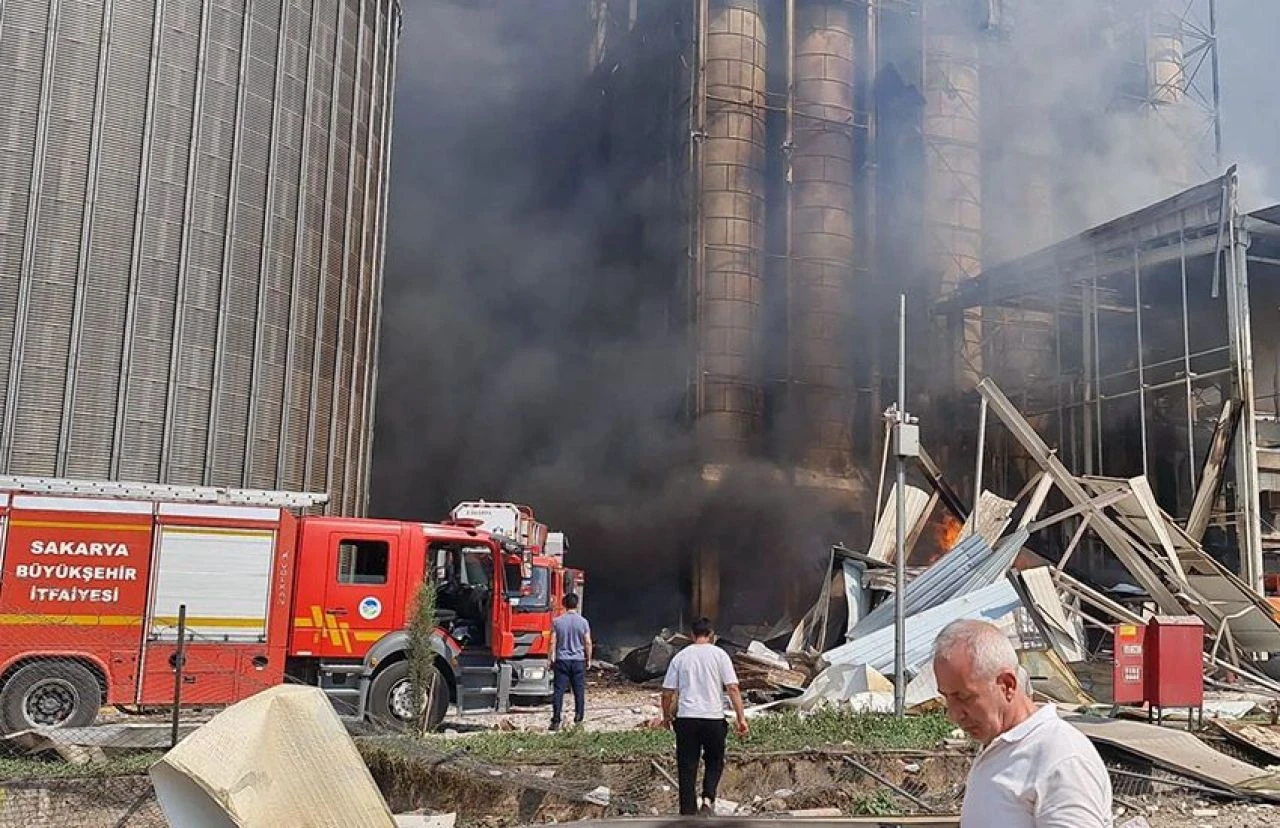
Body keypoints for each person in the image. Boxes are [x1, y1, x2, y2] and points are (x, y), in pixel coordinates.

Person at [932, 619, 1112, 828]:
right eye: (946, 697)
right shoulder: (1001, 747)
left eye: (964, 697)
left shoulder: (1062, 758)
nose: (954, 715)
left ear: (1007, 685)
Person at [659, 617, 749, 816]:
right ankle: (708, 798)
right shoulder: (720, 655)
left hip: (687, 719)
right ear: (711, 635)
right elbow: (733, 688)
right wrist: (741, 718)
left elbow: (667, 692)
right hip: (713, 718)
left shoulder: (681, 657)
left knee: (687, 765)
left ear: (691, 635)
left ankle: (688, 810)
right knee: (715, 760)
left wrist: (666, 716)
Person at [548, 592, 592, 731]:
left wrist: (551, 658)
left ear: (564, 604)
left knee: (558, 691)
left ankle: (556, 721)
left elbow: (552, 641)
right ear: (577, 604)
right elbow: (587, 642)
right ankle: (578, 720)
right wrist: (588, 659)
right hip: (578, 660)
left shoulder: (557, 622)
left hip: (562, 660)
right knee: (579, 691)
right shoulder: (583, 622)